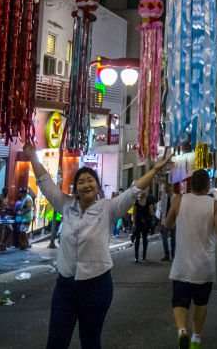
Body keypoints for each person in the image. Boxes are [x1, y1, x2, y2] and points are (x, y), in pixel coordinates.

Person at [23, 143, 174, 349]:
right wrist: (32, 156)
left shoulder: (108, 209)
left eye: (90, 181)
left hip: (96, 286)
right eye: (81, 181)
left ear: (98, 187)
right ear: (75, 188)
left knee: (90, 341)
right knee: (56, 341)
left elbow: (134, 190)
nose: (86, 185)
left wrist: (155, 169)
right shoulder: (65, 205)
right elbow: (44, 182)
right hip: (65, 286)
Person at [163, 169, 217, 349]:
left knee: (179, 302)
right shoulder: (214, 204)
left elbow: (168, 224)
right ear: (208, 186)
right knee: (201, 303)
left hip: (182, 266)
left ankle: (181, 331)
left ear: (191, 184)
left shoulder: (179, 200)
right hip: (204, 266)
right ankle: (196, 339)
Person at [157, 183, 177, 261]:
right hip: (164, 221)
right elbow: (162, 210)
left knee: (173, 239)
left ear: (171, 188)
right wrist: (160, 222)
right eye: (166, 189)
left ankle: (173, 254)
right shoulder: (163, 197)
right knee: (164, 239)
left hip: (173, 221)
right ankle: (167, 255)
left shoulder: (175, 198)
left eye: (168, 188)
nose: (167, 190)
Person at [132, 192, 153, 262]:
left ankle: (144, 254)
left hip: (145, 223)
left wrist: (149, 216)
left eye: (143, 193)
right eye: (141, 193)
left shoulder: (148, 202)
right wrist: (134, 224)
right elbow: (134, 214)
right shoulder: (136, 202)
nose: (142, 195)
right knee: (137, 240)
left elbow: (151, 213)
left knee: (145, 239)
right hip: (138, 223)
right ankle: (136, 256)